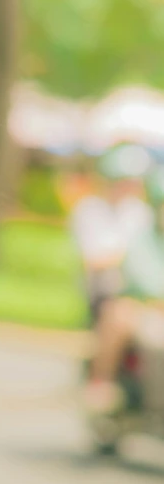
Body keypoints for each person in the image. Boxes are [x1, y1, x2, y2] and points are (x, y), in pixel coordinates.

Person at [83, 164, 164, 413]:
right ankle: (101, 384)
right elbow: (145, 280)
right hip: (144, 310)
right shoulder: (141, 237)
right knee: (119, 314)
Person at [70, 144, 154, 325]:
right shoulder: (88, 209)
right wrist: (127, 259)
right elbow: (92, 260)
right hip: (105, 289)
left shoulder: (139, 211)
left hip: (141, 287)